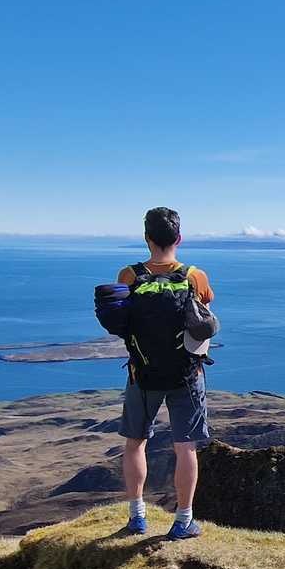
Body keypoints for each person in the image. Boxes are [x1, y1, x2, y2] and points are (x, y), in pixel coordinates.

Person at [118, 207, 216, 540]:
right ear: (179, 238)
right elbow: (205, 312)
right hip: (186, 374)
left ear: (146, 238)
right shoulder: (194, 276)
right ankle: (183, 521)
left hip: (142, 373)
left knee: (135, 444)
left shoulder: (129, 276)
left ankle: (137, 517)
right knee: (185, 447)